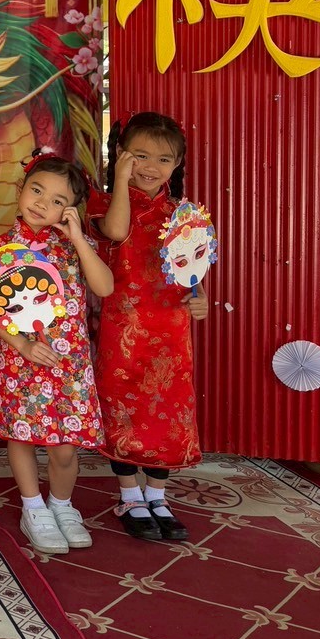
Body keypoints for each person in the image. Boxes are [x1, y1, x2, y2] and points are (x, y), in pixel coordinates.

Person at [0, 154, 113, 556]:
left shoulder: (75, 247)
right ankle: (33, 508)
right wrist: (20, 344)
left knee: (65, 446)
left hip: (68, 364)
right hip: (21, 359)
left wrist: (78, 238)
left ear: (70, 210)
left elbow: (105, 287)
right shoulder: (0, 248)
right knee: (21, 436)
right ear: (20, 191)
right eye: (36, 191)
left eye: (57, 201)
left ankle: (61, 504)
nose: (42, 203)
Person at [90, 113, 209, 542]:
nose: (151, 167)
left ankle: (158, 496)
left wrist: (200, 297)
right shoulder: (103, 203)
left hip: (172, 329)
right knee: (122, 407)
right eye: (139, 155)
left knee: (169, 410)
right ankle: (129, 496)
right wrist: (121, 180)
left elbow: (193, 268)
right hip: (123, 328)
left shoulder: (183, 214)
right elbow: (117, 231)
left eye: (163, 159)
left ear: (176, 165)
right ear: (121, 155)